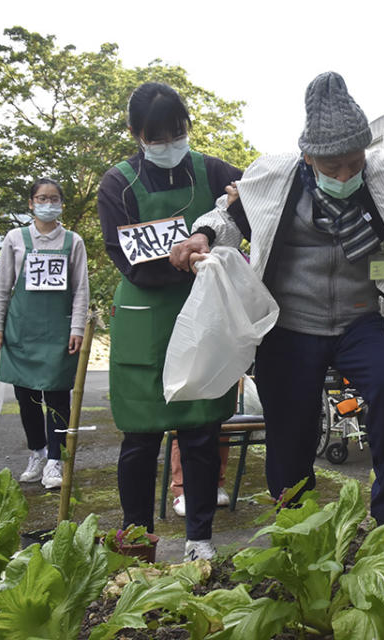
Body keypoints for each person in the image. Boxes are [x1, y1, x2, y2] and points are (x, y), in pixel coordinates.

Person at [171, 72, 384, 524]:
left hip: (358, 321)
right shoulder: (274, 175)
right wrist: (202, 235)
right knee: (291, 430)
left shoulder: (381, 172)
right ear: (308, 155)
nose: (346, 175)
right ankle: (296, 521)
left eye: (354, 163)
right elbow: (230, 214)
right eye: (333, 168)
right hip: (289, 324)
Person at [97, 81, 241, 561]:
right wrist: (185, 260)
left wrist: (241, 198)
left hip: (202, 318)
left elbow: (261, 194)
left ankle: (199, 540)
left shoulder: (214, 169)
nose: (169, 144)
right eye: (157, 136)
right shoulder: (118, 183)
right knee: (141, 438)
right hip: (146, 322)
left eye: (177, 132)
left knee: (201, 432)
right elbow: (129, 258)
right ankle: (138, 540)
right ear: (136, 133)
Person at [0, 178, 90, 489]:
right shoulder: (15, 239)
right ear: (31, 203)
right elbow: (3, 286)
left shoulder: (73, 241)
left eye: (54, 198)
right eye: (41, 198)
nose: (48, 204)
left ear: (62, 203)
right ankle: (37, 452)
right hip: (21, 331)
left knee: (58, 398)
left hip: (59, 334)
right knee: (27, 398)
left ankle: (55, 461)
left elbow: (80, 290)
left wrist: (77, 328)